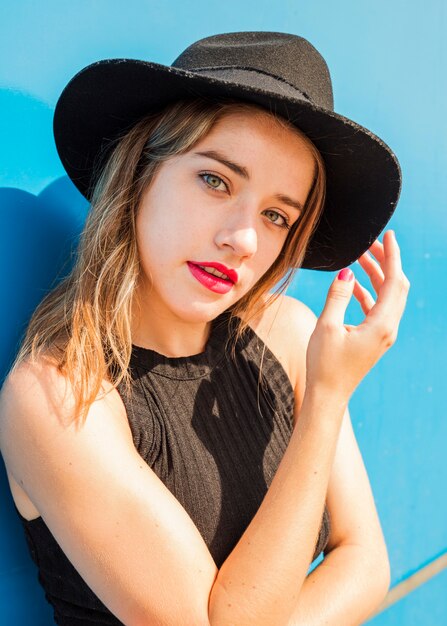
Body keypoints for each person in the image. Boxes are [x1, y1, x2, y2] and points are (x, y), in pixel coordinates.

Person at [0, 31, 409, 626]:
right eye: (215, 180)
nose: (242, 239)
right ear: (141, 172)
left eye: (275, 216)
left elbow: (366, 560)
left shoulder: (290, 339)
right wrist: (324, 402)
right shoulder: (61, 396)